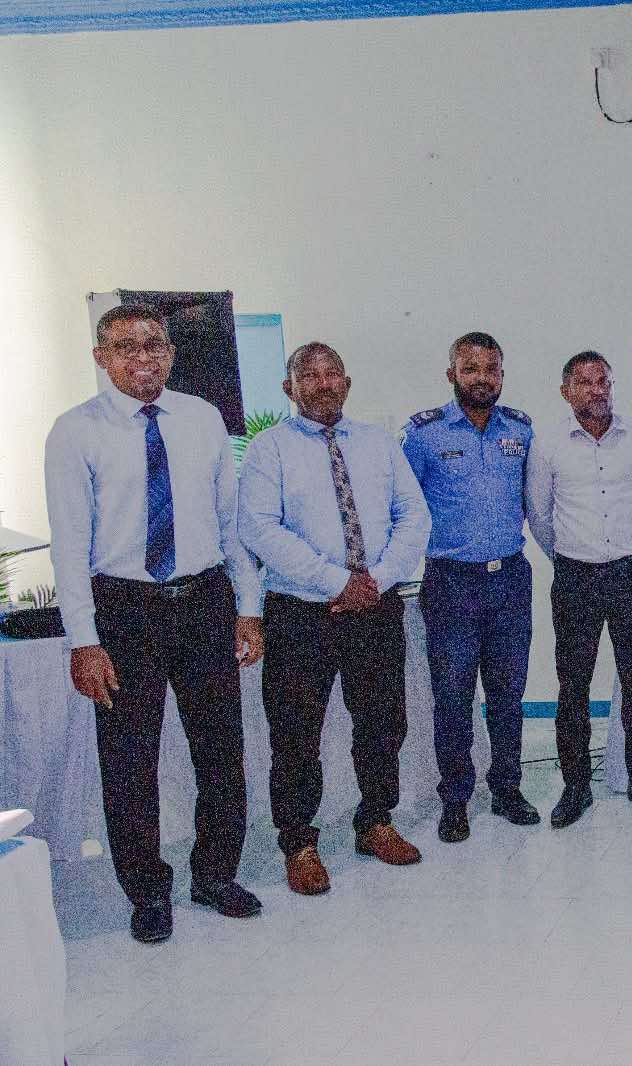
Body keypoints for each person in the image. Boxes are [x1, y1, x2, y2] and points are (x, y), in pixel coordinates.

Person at [45, 304, 263, 943]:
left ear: (170, 353)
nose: (143, 357)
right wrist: (84, 641)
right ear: (101, 357)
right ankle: (147, 893)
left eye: (154, 345)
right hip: (124, 611)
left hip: (204, 601)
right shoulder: (75, 431)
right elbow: (69, 547)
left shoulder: (202, 418)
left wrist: (247, 607)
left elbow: (230, 522)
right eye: (126, 346)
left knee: (221, 751)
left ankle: (215, 875)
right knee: (129, 763)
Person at [239, 341, 431, 894]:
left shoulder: (378, 443)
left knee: (383, 722)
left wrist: (378, 579)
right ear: (289, 388)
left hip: (375, 607)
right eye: (310, 375)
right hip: (301, 613)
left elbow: (413, 515)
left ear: (347, 382)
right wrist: (336, 580)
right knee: (296, 733)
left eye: (332, 374)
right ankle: (299, 843)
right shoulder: (269, 449)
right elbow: (260, 528)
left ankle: (375, 821)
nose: (323, 384)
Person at [402, 332, 539, 843]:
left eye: (491, 369)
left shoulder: (521, 430)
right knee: (453, 697)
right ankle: (456, 798)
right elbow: (402, 505)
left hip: (510, 581)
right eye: (471, 368)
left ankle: (507, 789)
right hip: (451, 583)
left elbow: (535, 500)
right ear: (451, 374)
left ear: (502, 374)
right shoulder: (424, 434)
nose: (482, 378)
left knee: (508, 695)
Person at [526, 351, 632, 827]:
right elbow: (540, 515)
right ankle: (576, 787)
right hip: (575, 579)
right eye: (585, 382)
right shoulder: (547, 444)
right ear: (566, 391)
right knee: (573, 687)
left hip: (630, 576)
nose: (597, 390)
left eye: (603, 381)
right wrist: (570, 554)